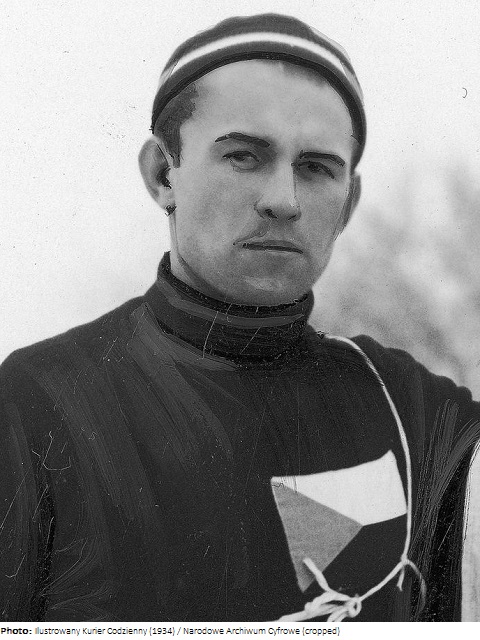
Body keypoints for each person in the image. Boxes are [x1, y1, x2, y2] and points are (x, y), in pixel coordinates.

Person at [0, 13, 479, 623]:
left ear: (349, 204)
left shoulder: (417, 411)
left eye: (316, 167)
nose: (283, 200)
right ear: (162, 174)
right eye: (244, 157)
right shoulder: (37, 403)